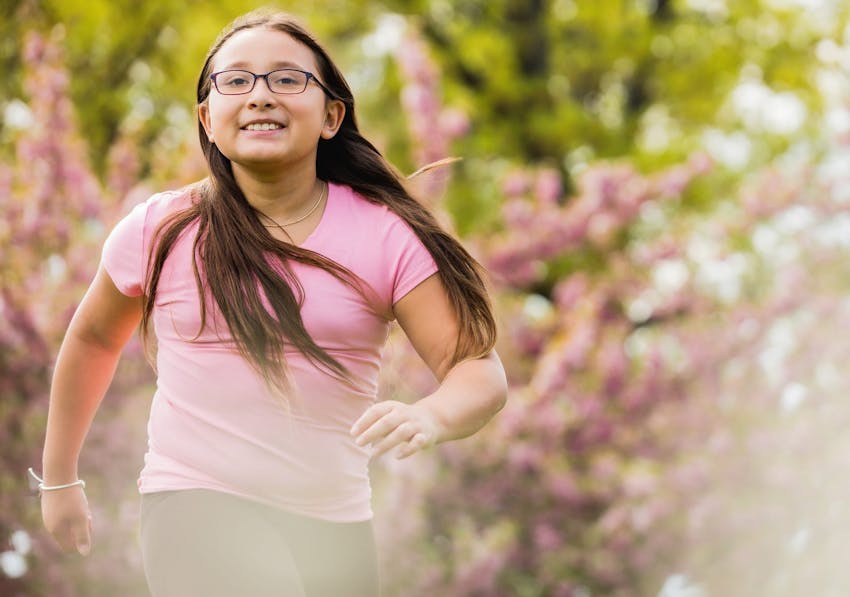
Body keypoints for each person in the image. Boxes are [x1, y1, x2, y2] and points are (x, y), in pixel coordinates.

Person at [34, 8, 507, 597]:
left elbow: (478, 370)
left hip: (335, 526)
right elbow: (93, 339)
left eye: (286, 79)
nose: (260, 95)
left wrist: (430, 415)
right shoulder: (163, 228)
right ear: (207, 118)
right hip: (195, 503)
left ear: (332, 115)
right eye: (235, 81)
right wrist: (59, 479)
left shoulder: (384, 235)